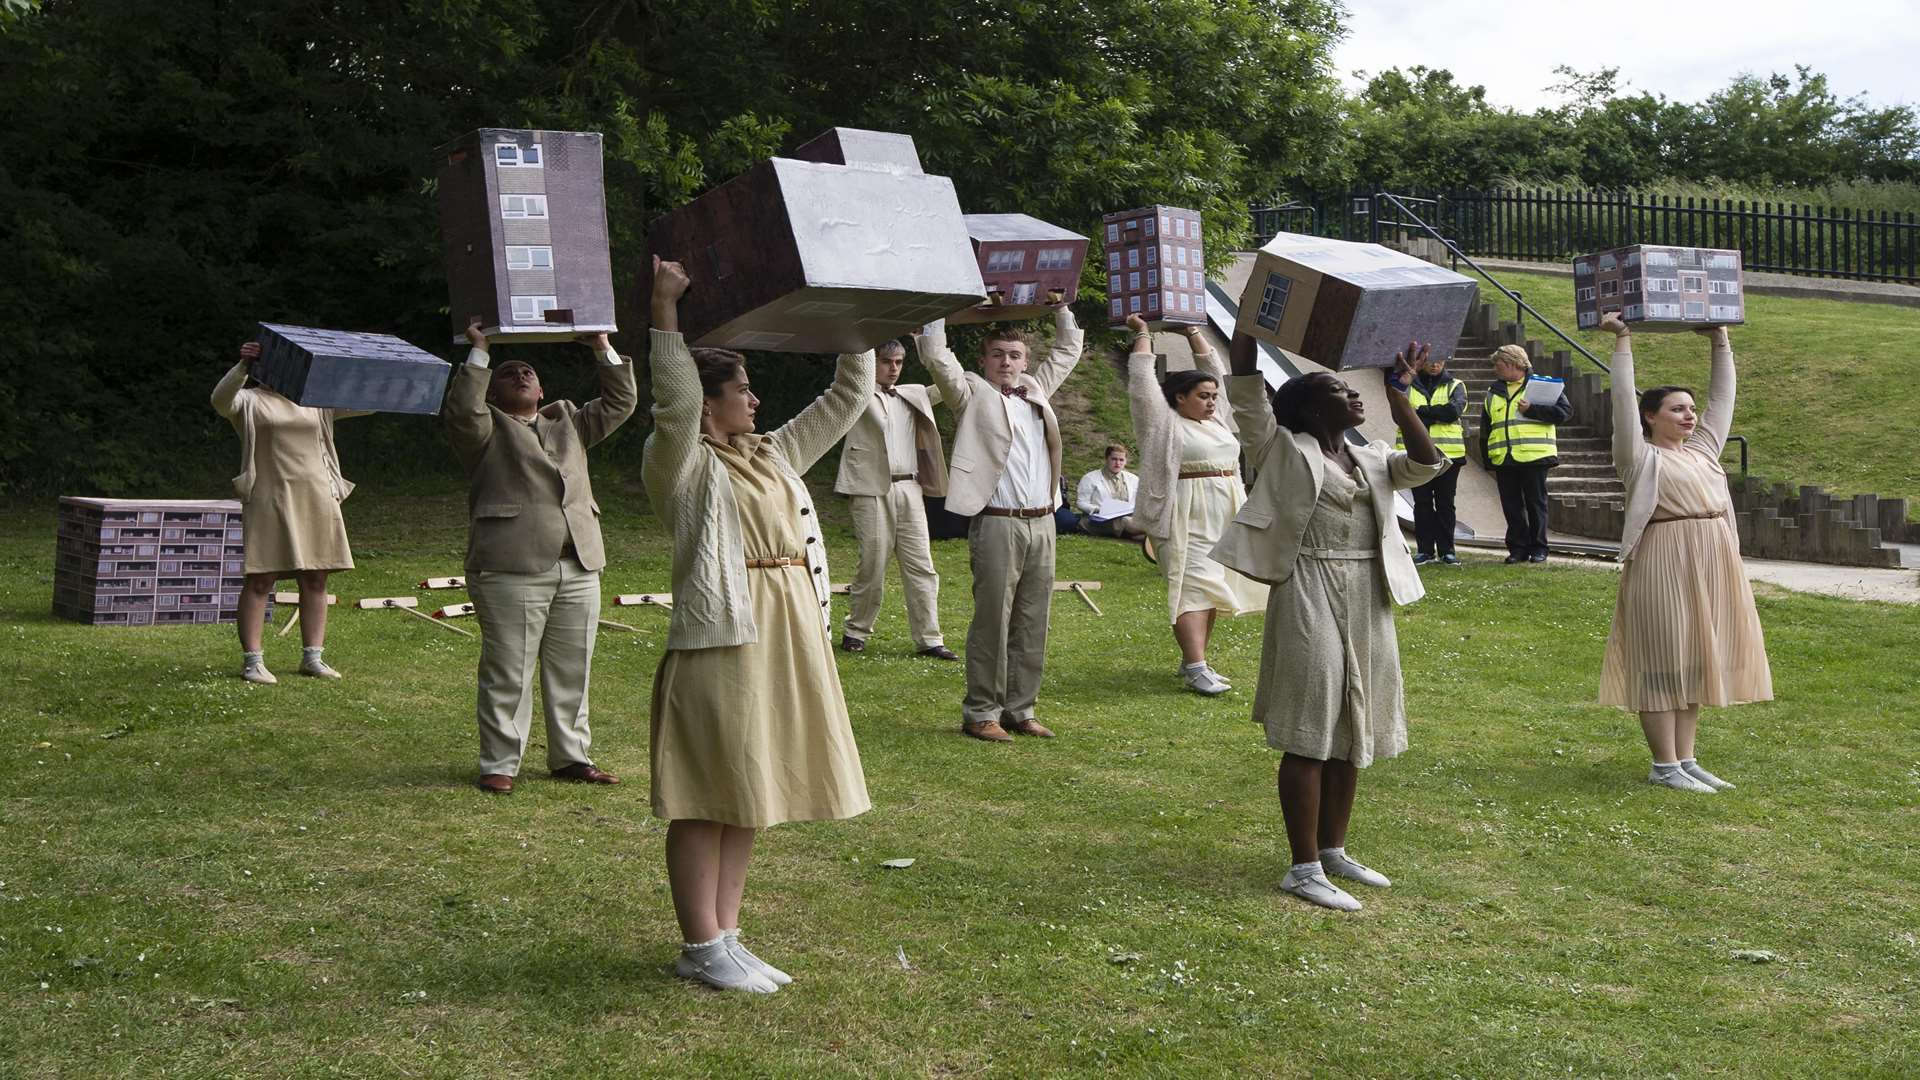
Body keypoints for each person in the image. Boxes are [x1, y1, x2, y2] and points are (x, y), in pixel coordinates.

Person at [642, 256, 873, 993]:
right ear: (710, 404)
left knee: (752, 784)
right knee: (707, 786)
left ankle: (728, 936)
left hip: (787, 628)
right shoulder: (678, 460)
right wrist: (664, 311)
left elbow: (848, 395)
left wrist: (859, 319)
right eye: (739, 388)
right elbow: (674, 402)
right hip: (722, 632)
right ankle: (699, 944)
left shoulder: (771, 456)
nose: (754, 396)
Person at [1212, 335, 1448, 912]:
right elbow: (1244, 388)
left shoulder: (1368, 459)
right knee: (1310, 727)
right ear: (1313, 408)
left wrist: (1401, 399)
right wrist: (1248, 326)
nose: (1353, 395)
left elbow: (1425, 465)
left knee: (1353, 724)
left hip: (1371, 593)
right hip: (1308, 588)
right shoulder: (1279, 447)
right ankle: (1303, 866)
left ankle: (1333, 849)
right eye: (1340, 391)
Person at [446, 318, 635, 795]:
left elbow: (621, 402)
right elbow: (464, 408)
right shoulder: (484, 428)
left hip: (580, 562)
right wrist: (482, 351)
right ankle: (500, 763)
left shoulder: (568, 419)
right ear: (493, 386)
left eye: (528, 370)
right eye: (509, 372)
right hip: (511, 563)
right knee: (508, 668)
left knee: (573, 666)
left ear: (543, 386)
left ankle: (571, 756)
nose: (521, 374)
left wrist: (601, 347)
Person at [1596, 314, 1772, 793]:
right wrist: (1623, 342)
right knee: (1661, 660)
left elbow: (1722, 400)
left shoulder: (1703, 451)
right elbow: (1620, 402)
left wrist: (1721, 342)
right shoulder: (1638, 457)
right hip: (1663, 557)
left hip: (1713, 558)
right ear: (1650, 417)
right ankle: (1663, 765)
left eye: (1689, 409)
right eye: (1677, 409)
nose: (1690, 416)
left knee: (1694, 659)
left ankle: (1686, 759)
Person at [914, 307, 1086, 742]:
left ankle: (1020, 708)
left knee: (1033, 620)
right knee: (993, 618)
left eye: (1013, 355)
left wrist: (1061, 306)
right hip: (996, 524)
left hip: (1043, 522)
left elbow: (1068, 349)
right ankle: (981, 712)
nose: (1006, 363)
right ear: (984, 360)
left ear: (1025, 361)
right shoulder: (971, 393)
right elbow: (936, 355)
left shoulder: (1036, 390)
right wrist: (941, 307)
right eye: (997, 355)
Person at [1121, 315, 1267, 695]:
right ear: (1178, 398)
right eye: (1203, 396)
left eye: (1213, 396)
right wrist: (1142, 335)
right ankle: (1196, 666)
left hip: (1225, 508)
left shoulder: (1214, 421)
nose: (1211, 402)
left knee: (1213, 585)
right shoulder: (1162, 421)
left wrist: (1192, 332)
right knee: (1192, 585)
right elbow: (1141, 383)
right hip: (1185, 512)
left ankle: (1195, 662)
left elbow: (1214, 370)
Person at [212, 341, 366, 684]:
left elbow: (366, 405)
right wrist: (242, 366)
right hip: (271, 496)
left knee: (316, 577)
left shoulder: (314, 400)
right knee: (261, 578)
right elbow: (220, 401)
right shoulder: (249, 400)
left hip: (317, 495)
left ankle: (313, 657)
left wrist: (341, 365)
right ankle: (253, 660)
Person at [831, 338, 957, 660]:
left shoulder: (914, 393)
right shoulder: (857, 393)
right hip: (870, 488)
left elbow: (948, 380)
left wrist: (931, 341)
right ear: (873, 363)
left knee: (922, 566)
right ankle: (856, 631)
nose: (894, 369)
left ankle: (930, 638)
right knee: (872, 563)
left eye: (899, 362)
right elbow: (848, 373)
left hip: (911, 488)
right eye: (887, 362)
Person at [1481, 343, 1572, 563]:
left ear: (1513, 364)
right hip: (1504, 457)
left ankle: (1539, 548)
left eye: (1499, 365)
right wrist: (1487, 459)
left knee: (1535, 503)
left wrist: (1532, 410)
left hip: (1535, 456)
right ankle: (1517, 549)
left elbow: (1564, 413)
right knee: (1511, 506)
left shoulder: (1541, 385)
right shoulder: (1493, 392)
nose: (1496, 369)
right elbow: (1486, 427)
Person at [1398, 347, 1467, 564]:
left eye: (1440, 361)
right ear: (1422, 362)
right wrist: (1434, 413)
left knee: (1446, 503)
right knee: (1422, 503)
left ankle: (1448, 550)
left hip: (1450, 455)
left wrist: (1420, 413)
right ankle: (1425, 550)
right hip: (1417, 454)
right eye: (1431, 361)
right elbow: (1401, 413)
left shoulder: (1456, 385)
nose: (1436, 365)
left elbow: (1453, 412)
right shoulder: (1407, 385)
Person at [1074, 444, 1146, 542]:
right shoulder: (1090, 478)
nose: (1117, 463)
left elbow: (1140, 501)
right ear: (1106, 459)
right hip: (1097, 520)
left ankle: (1148, 539)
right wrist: (1098, 509)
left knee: (1136, 532)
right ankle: (1154, 535)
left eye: (1121, 460)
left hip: (1128, 516)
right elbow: (1081, 502)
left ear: (1126, 462)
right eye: (1114, 459)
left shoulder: (1133, 479)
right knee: (1125, 521)